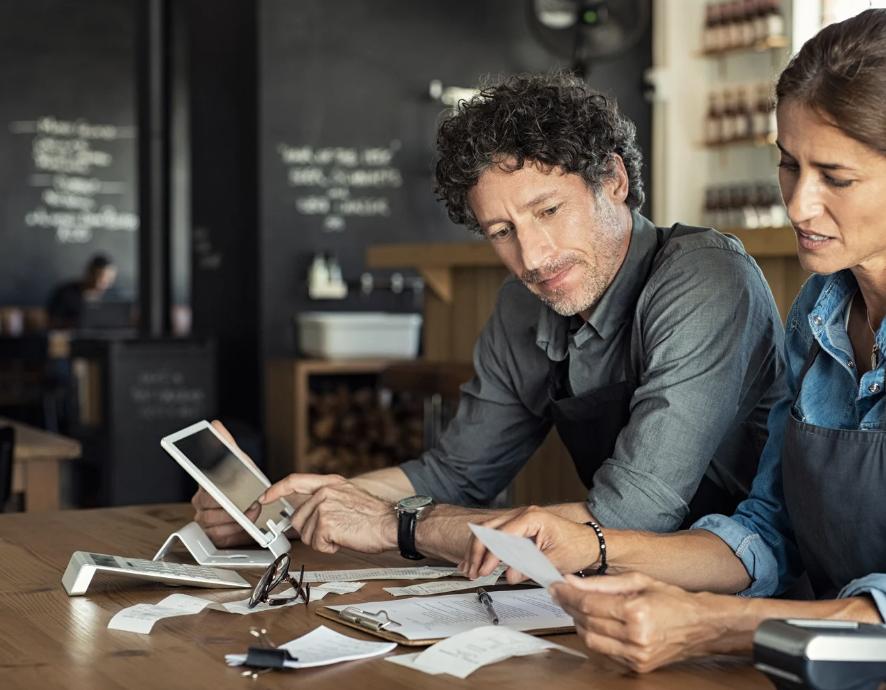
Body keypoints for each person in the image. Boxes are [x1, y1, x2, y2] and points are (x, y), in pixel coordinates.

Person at [467, 10, 886, 690]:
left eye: (835, 177)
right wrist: (590, 544)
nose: (797, 204)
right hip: (838, 681)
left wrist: (712, 625)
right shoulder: (820, 309)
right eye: (790, 164)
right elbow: (768, 533)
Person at [193, 71, 786, 564]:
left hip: (750, 591)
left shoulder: (705, 278)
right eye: (502, 231)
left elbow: (630, 516)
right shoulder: (522, 304)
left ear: (613, 180)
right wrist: (286, 506)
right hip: (623, 592)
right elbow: (456, 473)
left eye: (548, 210)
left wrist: (396, 526)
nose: (533, 257)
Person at [46, 254, 118, 328]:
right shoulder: (66, 293)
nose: (103, 282)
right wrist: (77, 323)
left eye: (108, 279)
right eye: (99, 276)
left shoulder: (115, 296)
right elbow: (51, 321)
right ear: (89, 272)